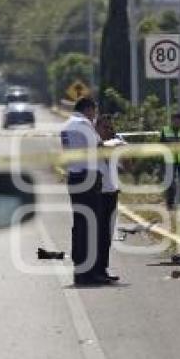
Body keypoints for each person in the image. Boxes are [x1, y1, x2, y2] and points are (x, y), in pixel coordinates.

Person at [60, 97, 112, 286]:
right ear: (88, 109)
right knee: (92, 225)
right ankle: (90, 272)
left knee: (80, 224)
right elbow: (98, 146)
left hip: (74, 176)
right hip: (88, 178)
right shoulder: (83, 123)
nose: (95, 115)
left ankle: (80, 270)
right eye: (94, 111)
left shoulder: (66, 125)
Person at [95, 115, 125, 282]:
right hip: (98, 194)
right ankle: (96, 269)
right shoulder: (95, 144)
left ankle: (103, 268)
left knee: (107, 234)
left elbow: (128, 167)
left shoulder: (114, 147)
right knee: (98, 234)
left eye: (110, 128)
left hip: (112, 192)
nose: (108, 131)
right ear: (97, 128)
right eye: (105, 127)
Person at [160, 112, 180, 209]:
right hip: (170, 159)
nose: (177, 122)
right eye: (175, 120)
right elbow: (161, 144)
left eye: (179, 121)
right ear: (172, 121)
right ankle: (170, 203)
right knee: (170, 182)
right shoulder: (165, 130)